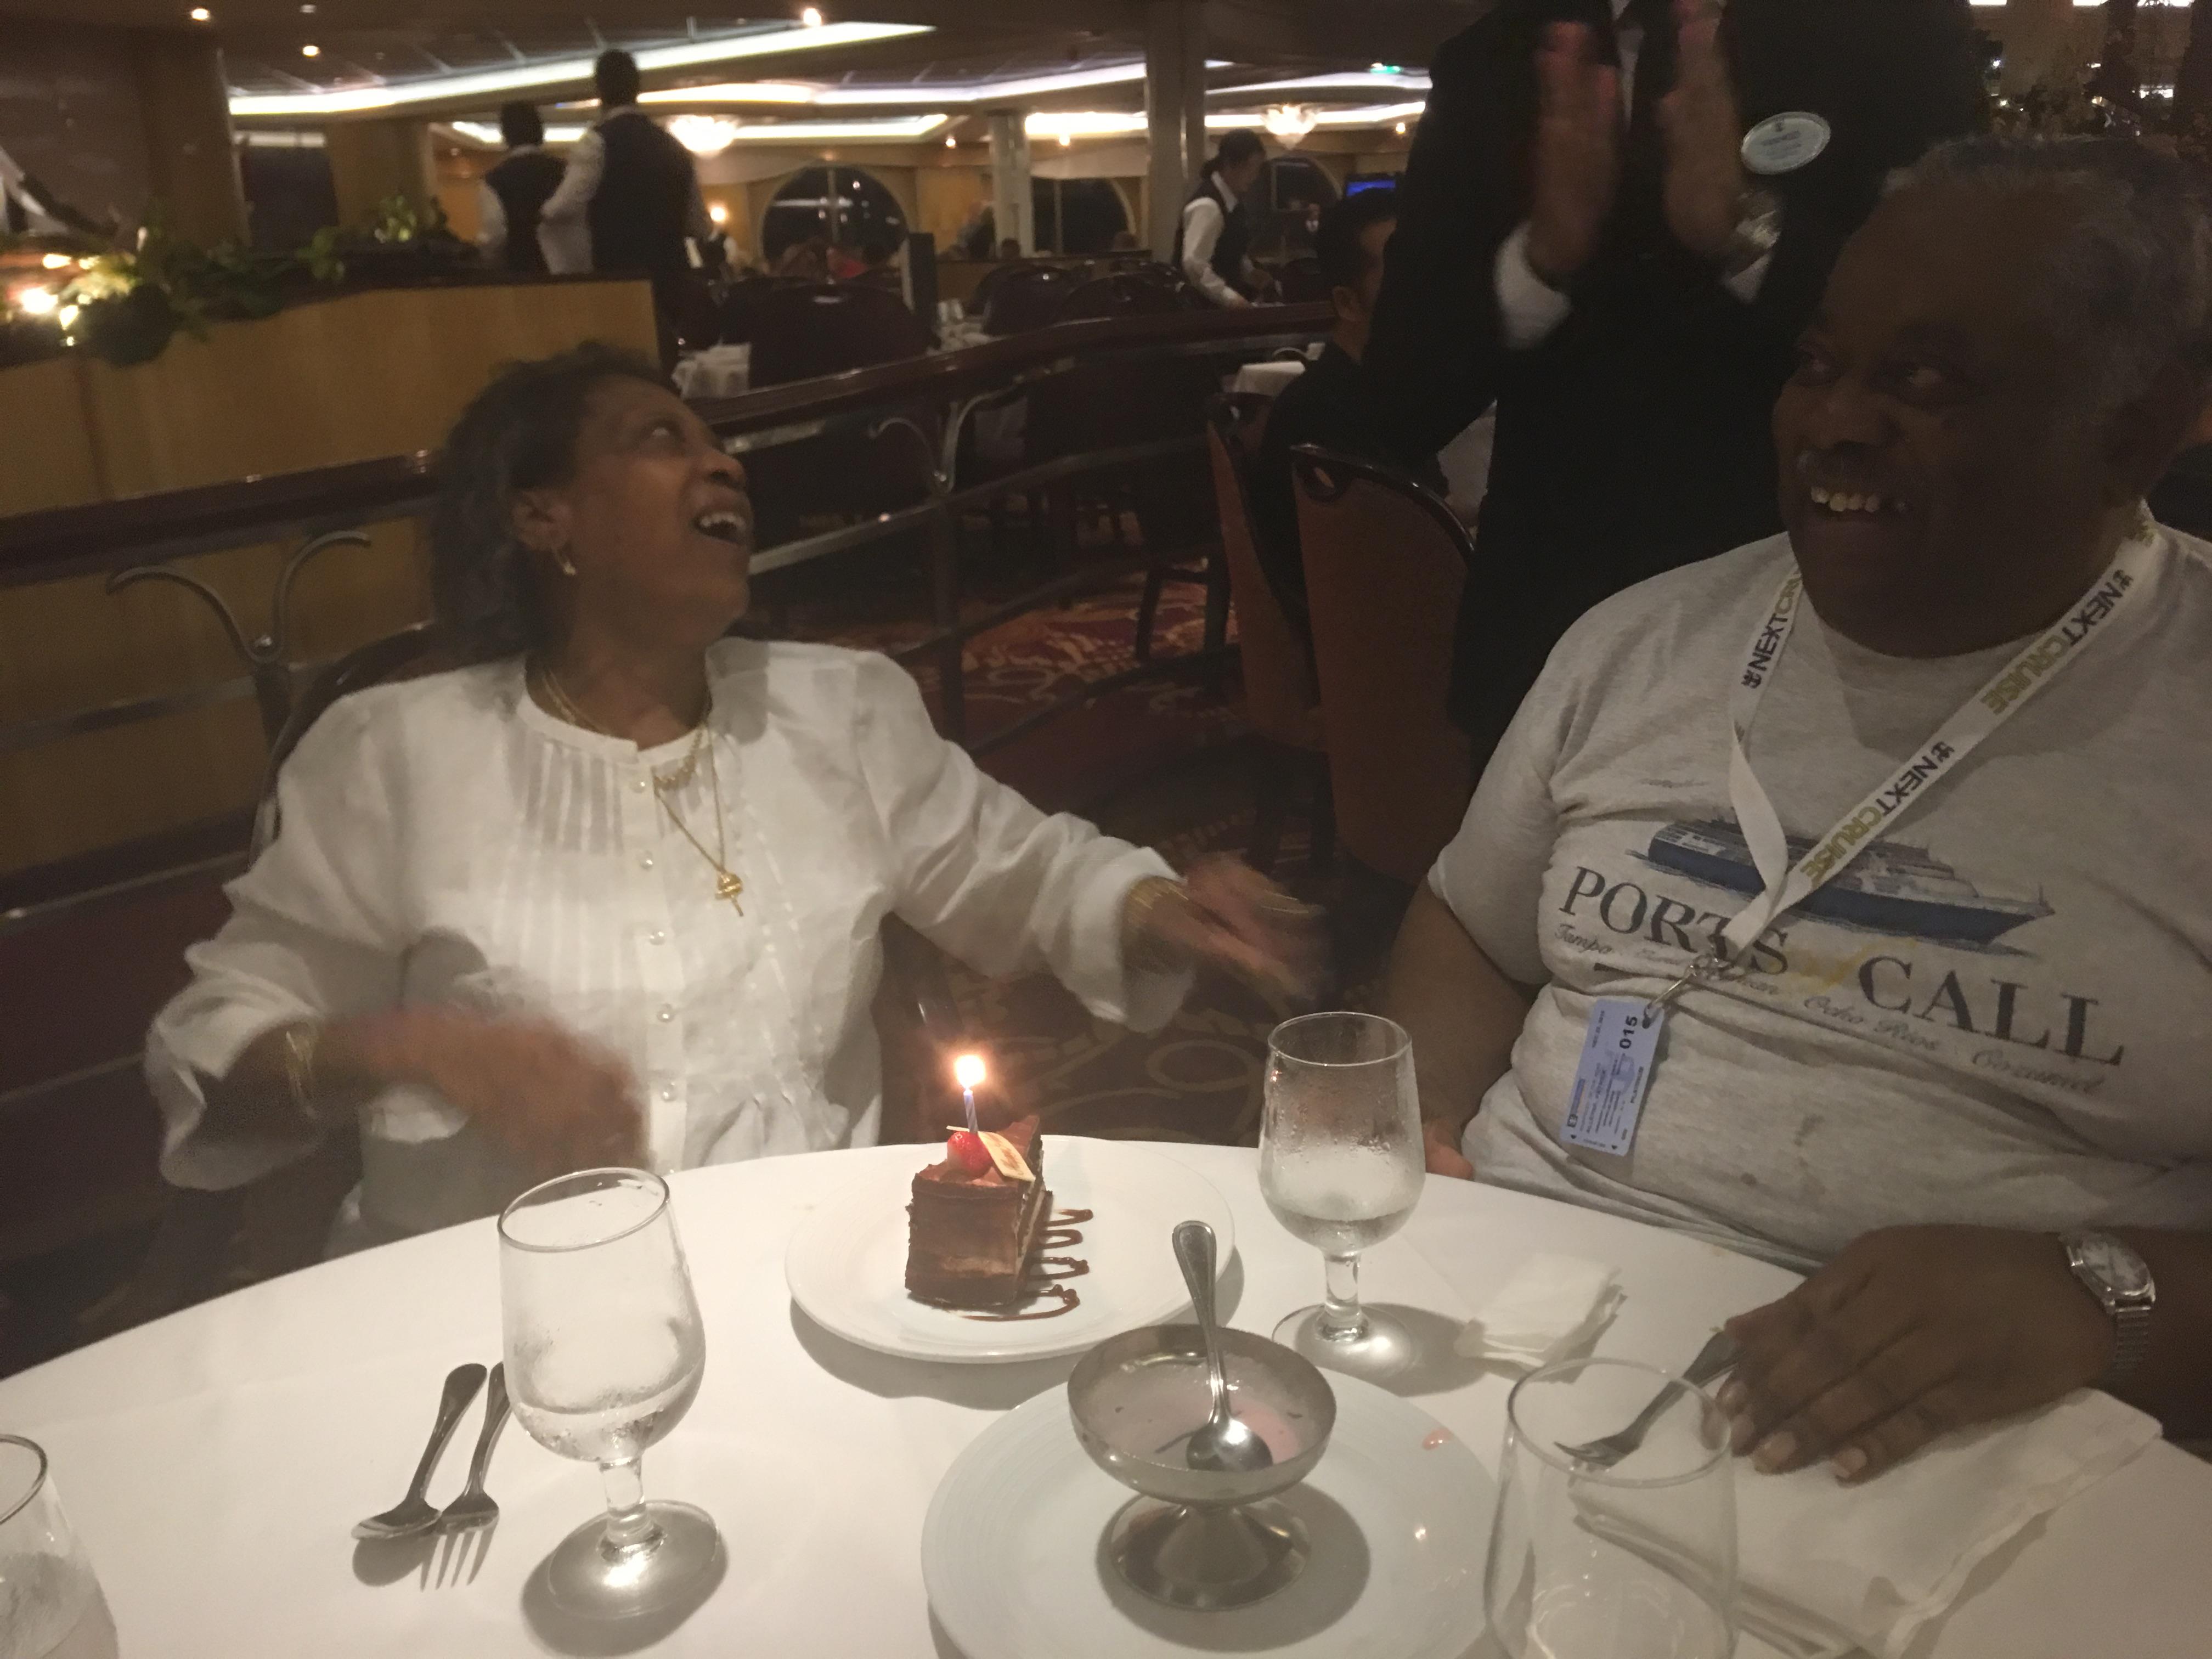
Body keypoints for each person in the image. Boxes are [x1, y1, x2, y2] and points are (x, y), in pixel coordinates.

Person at [1386, 137, 2212, 1481]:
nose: (1835, 424)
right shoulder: (1640, 641)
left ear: (2137, 428)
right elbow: (1472, 931)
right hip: (1512, 1317)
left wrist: (2095, 1297)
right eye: (1819, 365)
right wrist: (1412, 1125)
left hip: (1945, 1442)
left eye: (1923, 383)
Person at [148, 344, 1319, 1255]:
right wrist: (408, 1047)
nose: (725, 466)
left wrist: (1159, 910)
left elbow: (1025, 868)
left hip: (809, 1278)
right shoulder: (394, 754)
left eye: (721, 445)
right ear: (542, 515)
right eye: (661, 439)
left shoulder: (838, 709)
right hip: (491, 1316)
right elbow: (217, 1042)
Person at [1362, 0, 1983, 761]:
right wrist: (1538, 263)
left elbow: (1960, 322)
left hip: (1817, 633)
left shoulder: (1891, 25)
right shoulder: (1492, 58)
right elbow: (1399, 400)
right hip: (1549, 647)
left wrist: (1747, 236)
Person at [1247, 188, 1403, 656]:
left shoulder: (1378, 392)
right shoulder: (1322, 414)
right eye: (1403, 273)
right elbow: (1378, 568)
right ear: (1348, 303)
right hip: (1369, 651)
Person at [536, 50, 714, 350]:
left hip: (617, 282)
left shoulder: (596, 143)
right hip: (672, 284)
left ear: (600, 89)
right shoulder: (674, 148)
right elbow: (701, 226)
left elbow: (559, 210)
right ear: (637, 87)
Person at [1176, 129, 1275, 309]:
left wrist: (1249, 272)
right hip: (1202, 312)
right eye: (1250, 168)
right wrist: (1231, 299)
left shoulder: (1232, 205)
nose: (1254, 176)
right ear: (1230, 165)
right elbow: (1194, 265)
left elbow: (1229, 250)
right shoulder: (1208, 206)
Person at [474, 103, 563, 276]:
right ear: (541, 132)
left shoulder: (494, 180)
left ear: (505, 135)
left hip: (520, 273)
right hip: (567, 272)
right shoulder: (564, 171)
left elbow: (495, 236)